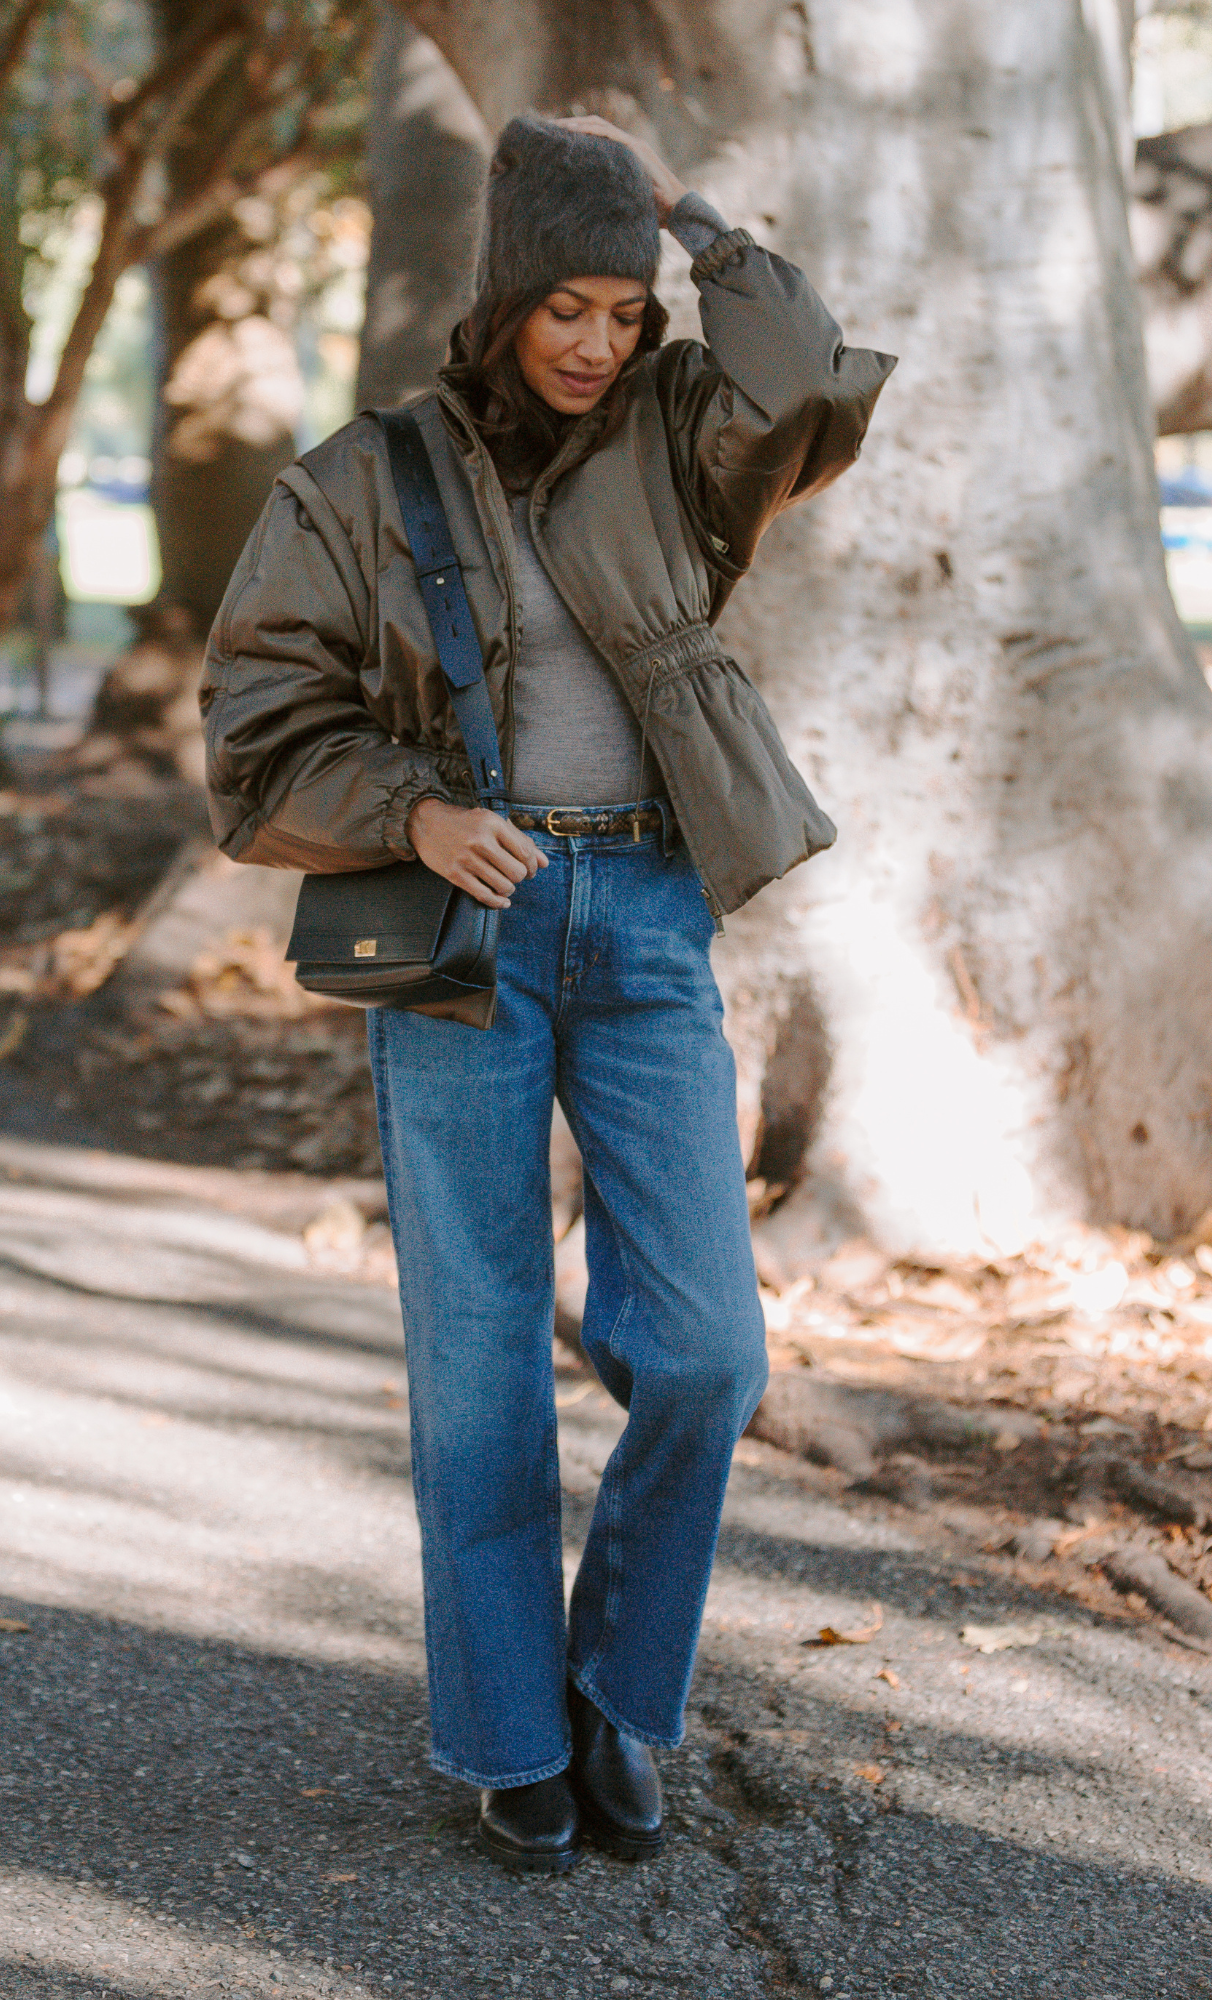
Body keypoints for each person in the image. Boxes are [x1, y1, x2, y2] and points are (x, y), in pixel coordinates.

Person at [202, 112, 895, 1873]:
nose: (595, 342)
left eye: (622, 307)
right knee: (479, 1356)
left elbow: (806, 371)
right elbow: (253, 735)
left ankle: (612, 1691)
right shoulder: (363, 479)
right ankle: (511, 1735)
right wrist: (414, 810)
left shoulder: (683, 441)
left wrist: (683, 214)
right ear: (504, 299)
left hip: (652, 922)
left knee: (709, 1356)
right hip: (466, 941)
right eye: (564, 306)